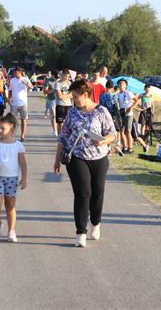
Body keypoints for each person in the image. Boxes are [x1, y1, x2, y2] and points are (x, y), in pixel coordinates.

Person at [53, 79, 117, 247]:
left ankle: (95, 222)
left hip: (99, 158)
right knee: (83, 194)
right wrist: (57, 159)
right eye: (72, 97)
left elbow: (112, 134)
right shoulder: (72, 113)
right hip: (77, 157)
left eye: (76, 96)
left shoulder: (101, 111)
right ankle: (80, 232)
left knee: (98, 193)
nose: (74, 100)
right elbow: (63, 136)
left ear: (86, 94)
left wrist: (103, 141)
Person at [0, 113, 27, 242]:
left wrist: (24, 178)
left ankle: (11, 231)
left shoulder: (18, 145)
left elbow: (23, 163)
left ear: (12, 128)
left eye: (2, 128)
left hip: (12, 179)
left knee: (10, 206)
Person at [99, 80, 123, 156]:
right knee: (117, 130)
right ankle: (118, 144)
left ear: (106, 86)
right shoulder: (114, 96)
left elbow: (100, 106)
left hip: (103, 115)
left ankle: (108, 148)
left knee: (106, 131)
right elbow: (116, 106)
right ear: (112, 87)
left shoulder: (101, 96)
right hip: (112, 115)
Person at [9, 67, 33, 142]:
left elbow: (31, 87)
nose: (16, 74)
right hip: (14, 103)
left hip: (23, 103)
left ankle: (22, 136)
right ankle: (11, 135)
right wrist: (9, 99)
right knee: (12, 120)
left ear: (20, 72)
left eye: (17, 73)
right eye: (15, 73)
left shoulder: (25, 79)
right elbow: (10, 90)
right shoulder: (12, 80)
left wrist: (26, 83)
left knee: (23, 119)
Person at [116, 79, 139, 154]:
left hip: (129, 114)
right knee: (121, 131)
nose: (121, 85)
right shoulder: (118, 94)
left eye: (122, 83)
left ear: (126, 85)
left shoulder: (128, 93)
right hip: (121, 114)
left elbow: (137, 100)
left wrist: (131, 107)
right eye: (119, 84)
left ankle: (130, 148)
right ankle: (124, 147)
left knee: (128, 131)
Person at [55, 69, 73, 134]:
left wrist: (64, 96)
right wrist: (67, 96)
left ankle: (67, 136)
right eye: (65, 76)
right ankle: (59, 136)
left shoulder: (69, 83)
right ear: (62, 75)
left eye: (68, 76)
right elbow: (59, 96)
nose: (66, 78)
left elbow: (72, 94)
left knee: (68, 123)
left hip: (68, 105)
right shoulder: (57, 83)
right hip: (60, 105)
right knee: (60, 123)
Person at [43, 71, 58, 137]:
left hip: (60, 101)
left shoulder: (60, 81)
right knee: (53, 116)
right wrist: (53, 90)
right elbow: (45, 91)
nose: (57, 78)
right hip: (51, 100)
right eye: (56, 77)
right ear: (52, 75)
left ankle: (59, 129)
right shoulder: (48, 81)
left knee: (60, 117)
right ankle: (55, 130)